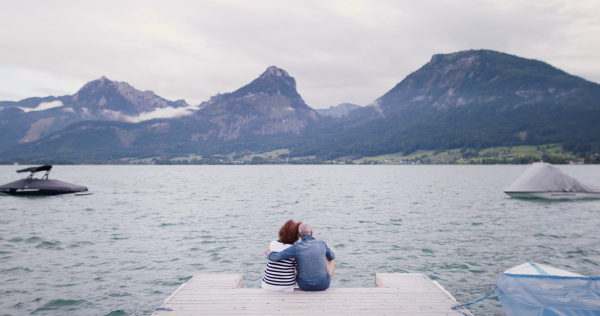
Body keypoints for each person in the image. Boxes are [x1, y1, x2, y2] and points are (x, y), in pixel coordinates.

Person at [266, 222, 335, 291]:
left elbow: (275, 257)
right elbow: (332, 256)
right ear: (311, 232)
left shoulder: (297, 246)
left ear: (299, 235)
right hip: (323, 285)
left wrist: (268, 252)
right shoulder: (321, 243)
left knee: (297, 262)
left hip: (304, 286)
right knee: (331, 261)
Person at [261, 219, 302, 291]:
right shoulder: (293, 249)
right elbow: (298, 268)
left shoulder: (273, 243)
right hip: (286, 286)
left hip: (268, 285)